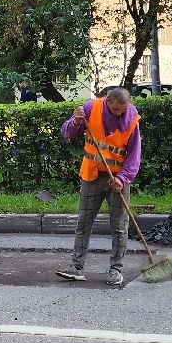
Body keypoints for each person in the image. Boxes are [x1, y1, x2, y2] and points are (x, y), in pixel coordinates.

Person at [56, 86, 142, 287]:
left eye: (123, 110)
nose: (120, 114)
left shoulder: (132, 118)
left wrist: (122, 178)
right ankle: (76, 267)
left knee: (119, 226)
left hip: (117, 181)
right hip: (92, 176)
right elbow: (67, 132)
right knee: (83, 222)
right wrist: (76, 121)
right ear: (107, 102)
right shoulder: (90, 108)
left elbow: (134, 154)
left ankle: (115, 269)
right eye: (116, 110)